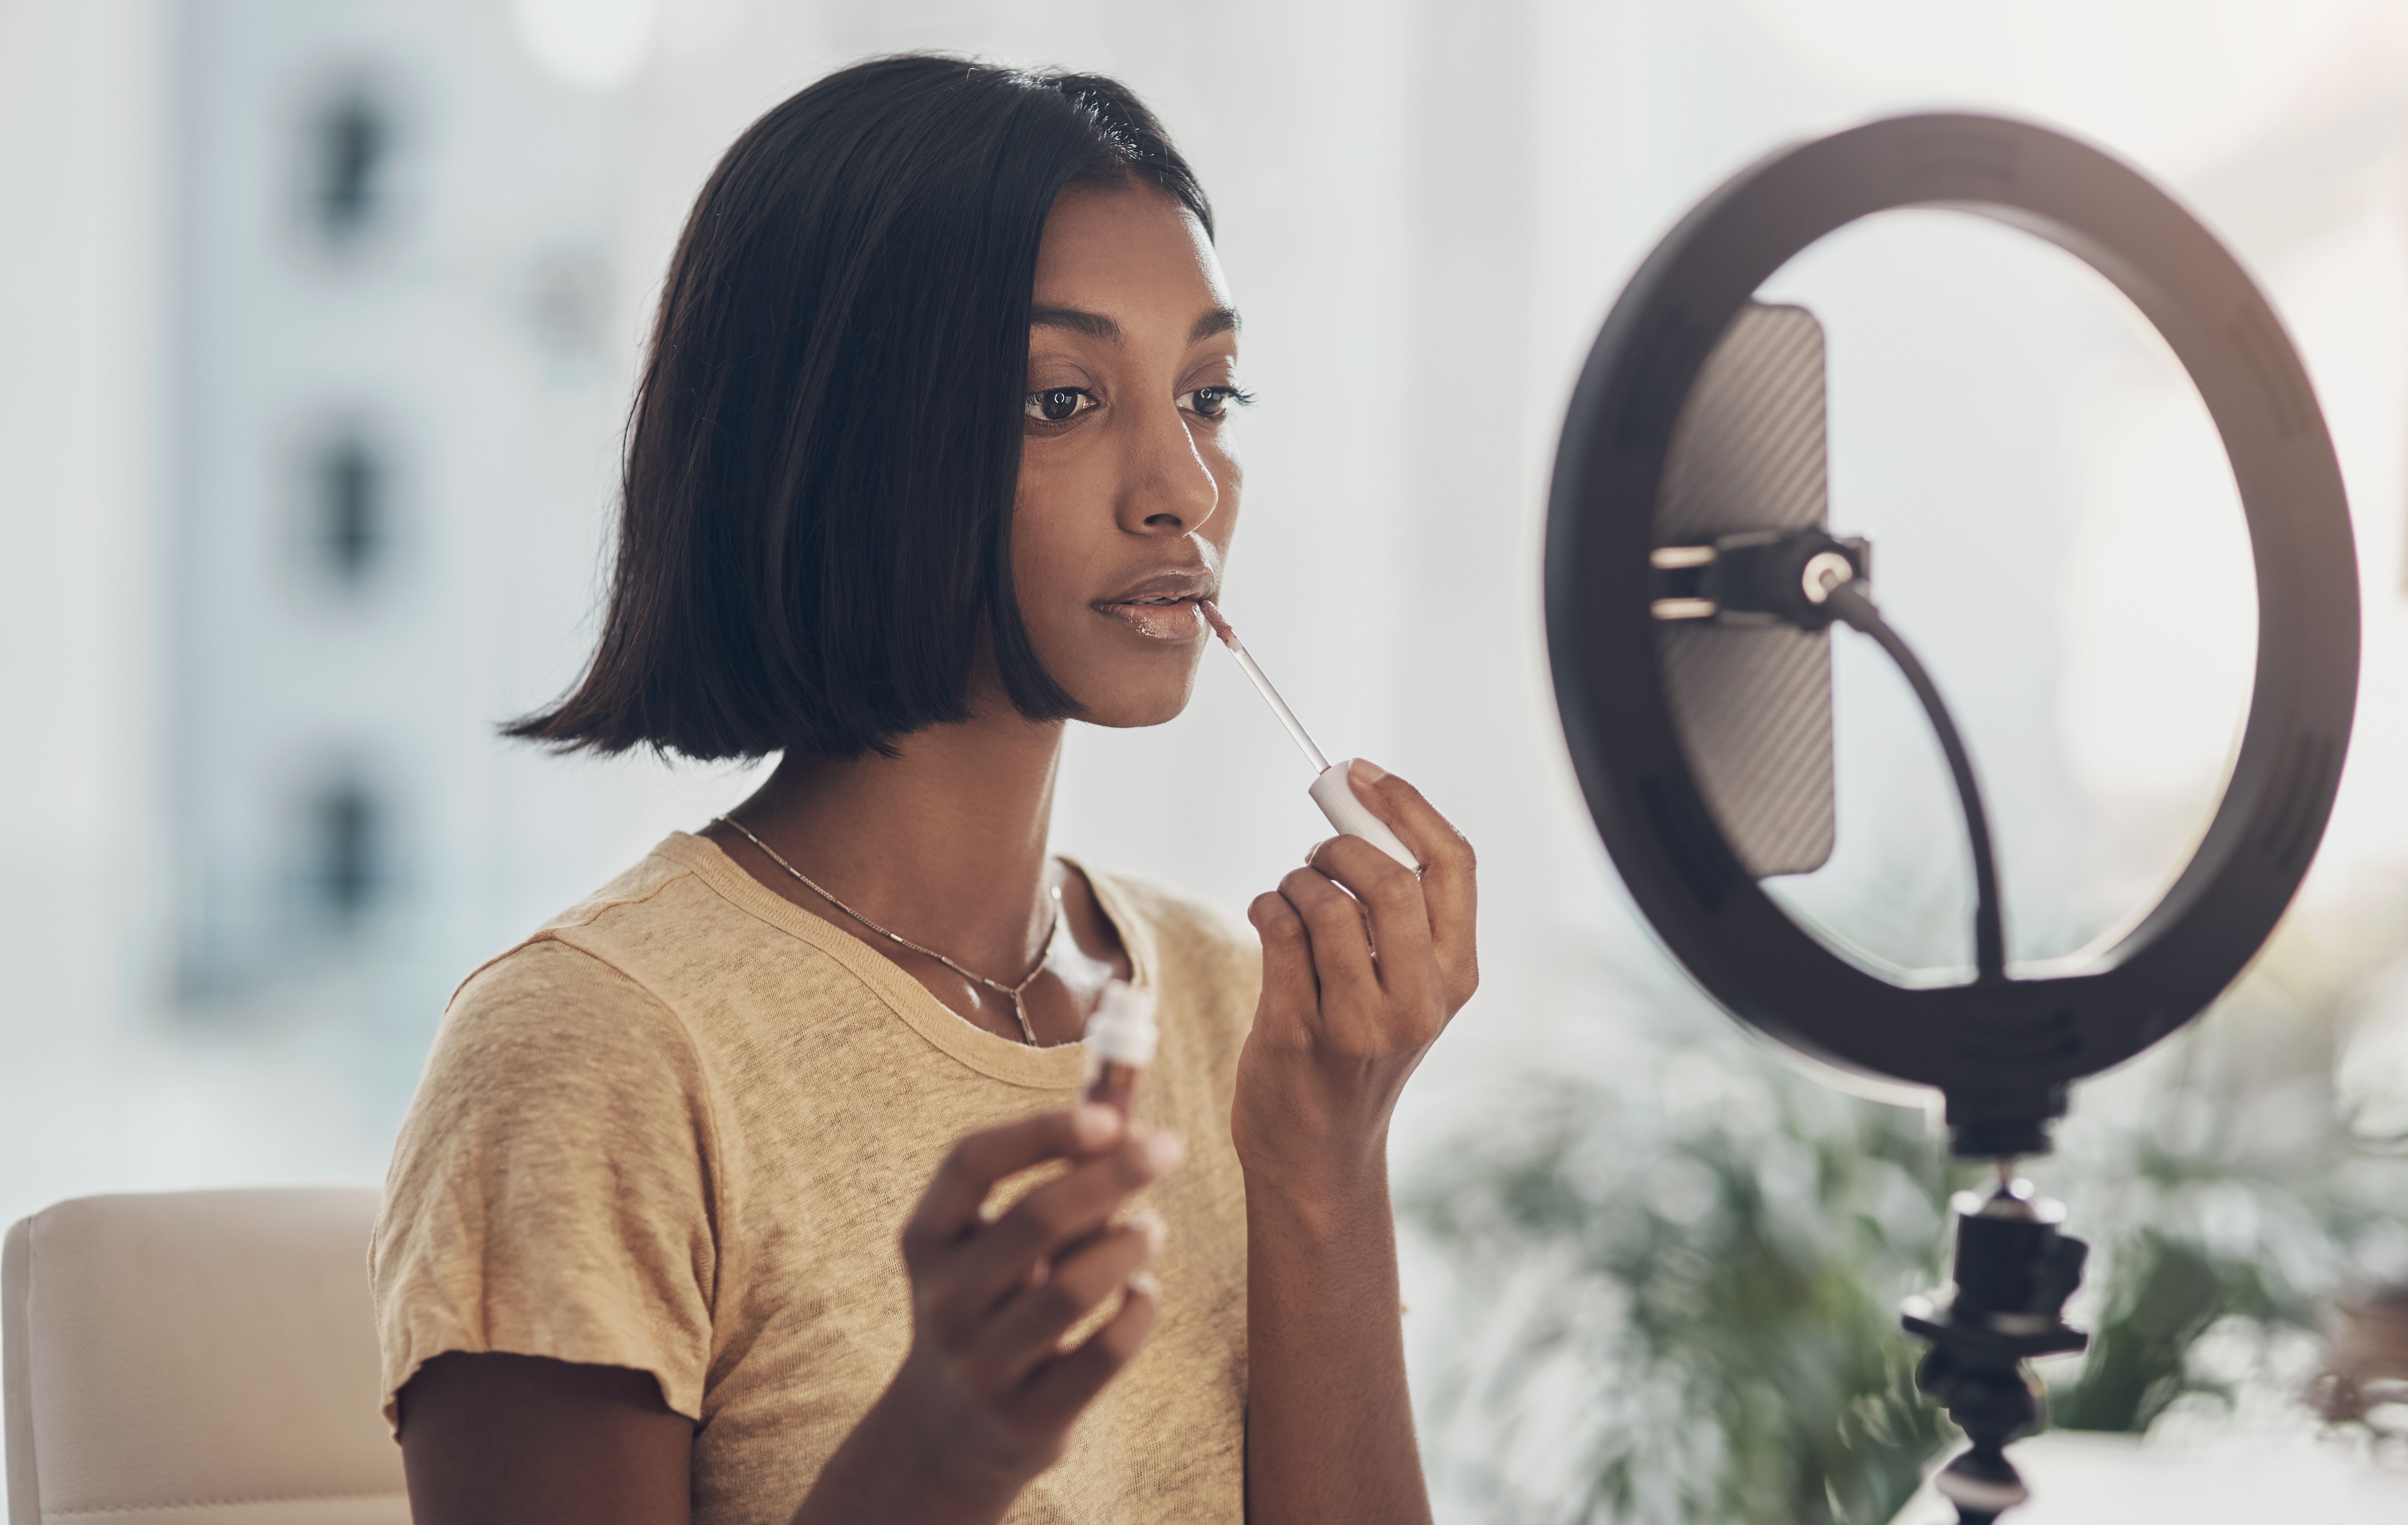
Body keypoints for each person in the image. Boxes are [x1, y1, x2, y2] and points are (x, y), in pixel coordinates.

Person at [370, 53, 1478, 1525]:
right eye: (1062, 399)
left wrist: (1325, 1164)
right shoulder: (594, 1052)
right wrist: (933, 1463)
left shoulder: (1236, 1004)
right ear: (841, 444)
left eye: (1210, 394)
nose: (1184, 487)